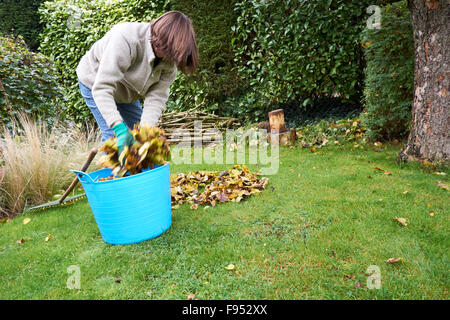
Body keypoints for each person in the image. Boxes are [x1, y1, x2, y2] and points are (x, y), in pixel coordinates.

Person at [76, 11, 198, 155]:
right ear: (160, 42)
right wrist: (118, 127)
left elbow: (156, 98)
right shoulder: (126, 39)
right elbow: (102, 88)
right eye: (170, 53)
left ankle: (143, 175)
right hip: (95, 82)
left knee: (143, 138)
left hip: (127, 92)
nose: (172, 61)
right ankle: (113, 177)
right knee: (114, 138)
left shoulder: (170, 61)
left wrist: (144, 132)